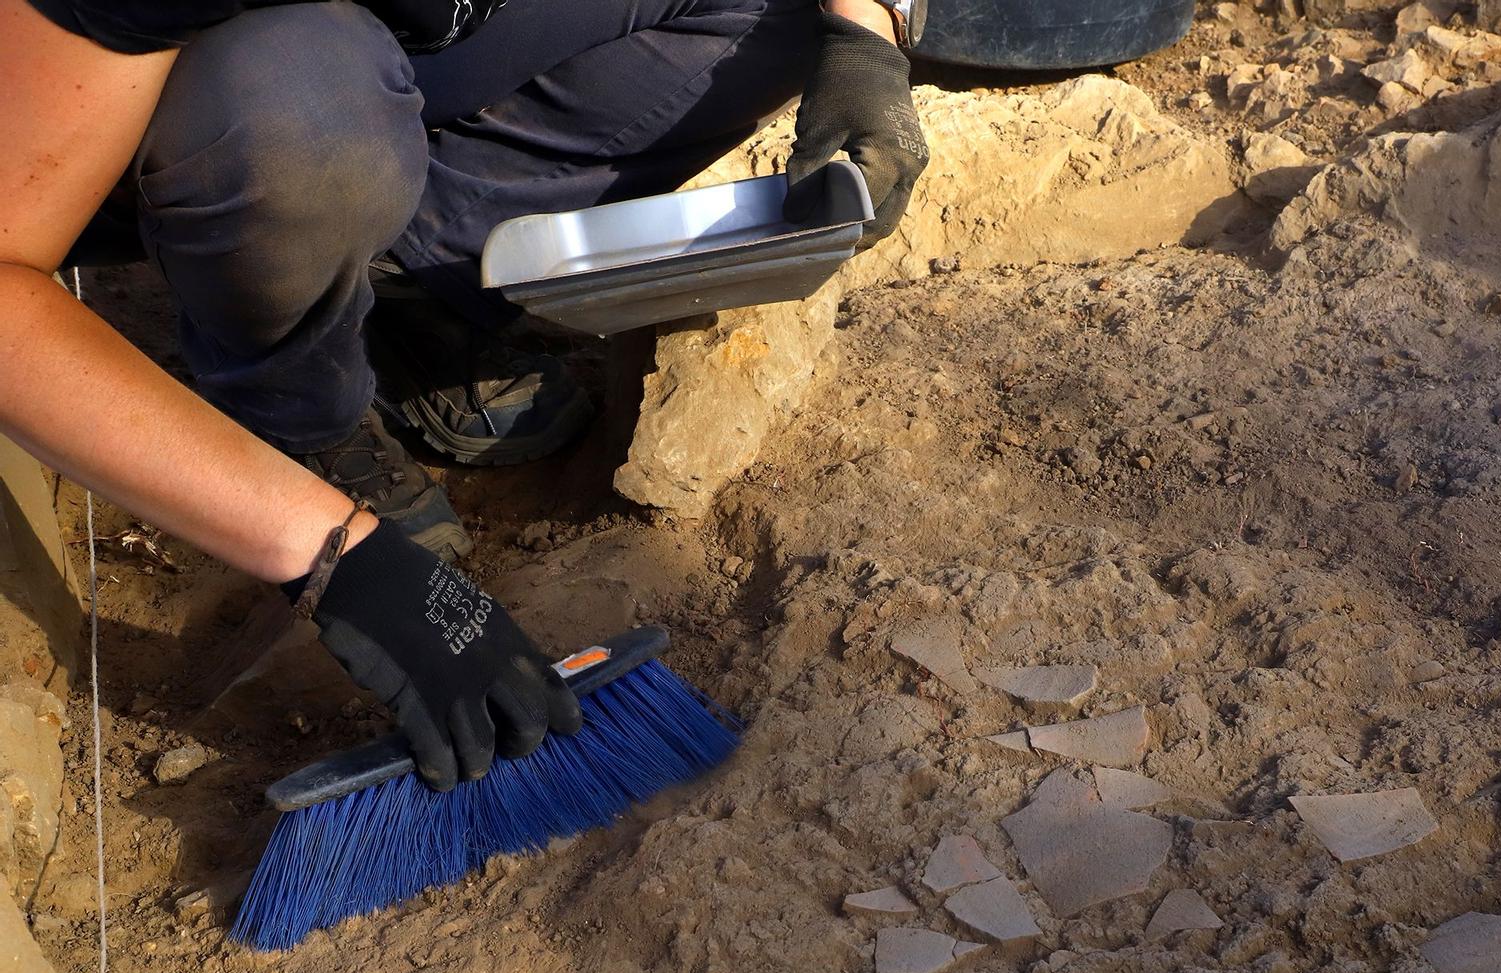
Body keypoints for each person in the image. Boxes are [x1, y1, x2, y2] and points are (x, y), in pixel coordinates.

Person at [0, 0, 928, 791]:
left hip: (411, 45)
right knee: (297, 111)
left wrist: (865, 38)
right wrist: (333, 555)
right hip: (133, 98)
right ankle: (299, 406)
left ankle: (408, 292)